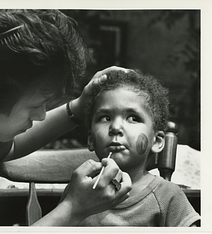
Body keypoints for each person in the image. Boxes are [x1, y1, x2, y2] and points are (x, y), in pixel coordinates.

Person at [0, 9, 132, 226]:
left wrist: (79, 108)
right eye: (35, 105)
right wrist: (73, 208)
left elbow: (12, 145)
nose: (42, 115)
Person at [75, 69, 201, 226]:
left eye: (133, 118)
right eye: (105, 118)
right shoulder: (79, 192)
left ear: (157, 141)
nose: (115, 127)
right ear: (91, 139)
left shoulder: (168, 197)